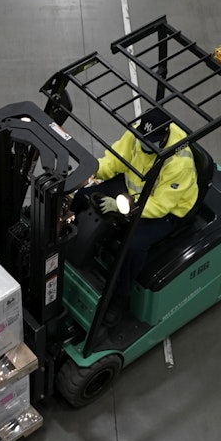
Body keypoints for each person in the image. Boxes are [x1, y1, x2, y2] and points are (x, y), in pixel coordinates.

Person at [73, 107, 198, 324]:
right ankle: (66, 238)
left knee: (132, 246)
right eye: (143, 138)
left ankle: (119, 299)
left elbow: (160, 205)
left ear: (164, 137)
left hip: (168, 211)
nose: (144, 144)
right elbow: (115, 159)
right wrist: (92, 172)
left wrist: (127, 209)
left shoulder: (179, 162)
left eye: (151, 142)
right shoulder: (137, 134)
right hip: (136, 191)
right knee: (85, 195)